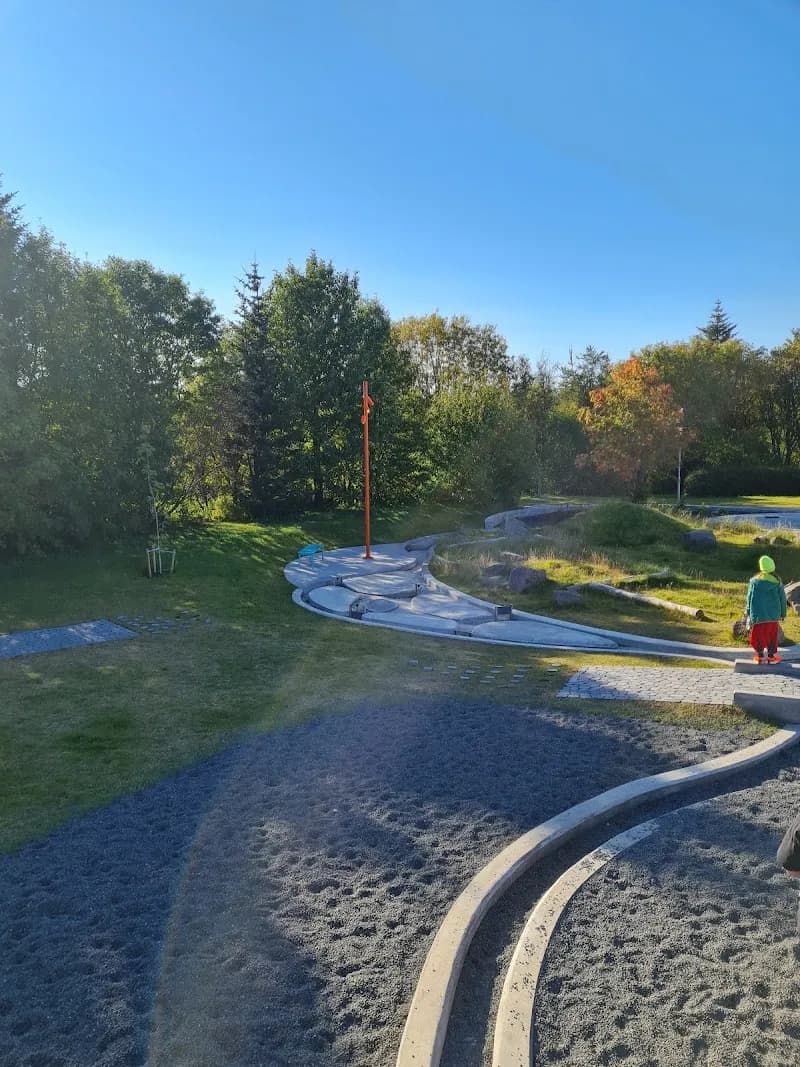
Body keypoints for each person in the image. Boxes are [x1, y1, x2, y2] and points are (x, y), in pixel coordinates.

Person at [745, 554, 786, 664]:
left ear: (761, 567)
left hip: (758, 615)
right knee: (772, 636)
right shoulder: (777, 581)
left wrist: (748, 611)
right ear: (772, 566)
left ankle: (759, 656)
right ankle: (771, 657)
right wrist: (783, 614)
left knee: (758, 635)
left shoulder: (754, 581)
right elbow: (782, 599)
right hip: (773, 616)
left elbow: (749, 598)